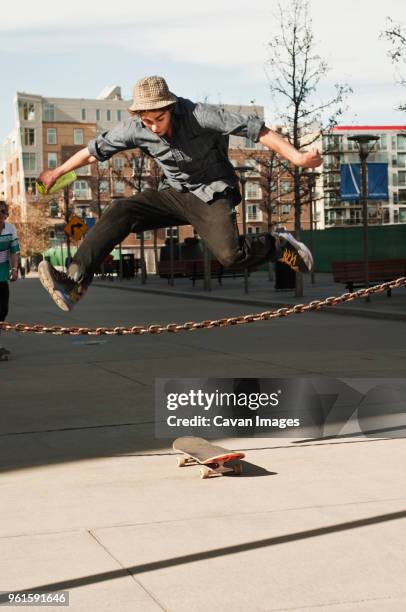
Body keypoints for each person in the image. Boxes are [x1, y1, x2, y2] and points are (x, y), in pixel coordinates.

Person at [37, 75, 322, 312]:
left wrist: (296, 158)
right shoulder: (135, 128)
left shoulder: (201, 115)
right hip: (174, 194)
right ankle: (74, 281)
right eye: (146, 121)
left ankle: (277, 245)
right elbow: (93, 152)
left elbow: (257, 130)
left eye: (158, 119)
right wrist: (57, 172)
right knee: (121, 210)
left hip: (213, 193)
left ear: (171, 107)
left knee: (230, 256)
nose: (153, 127)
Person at [0, 202, 20, 359]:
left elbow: (14, 252)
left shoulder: (10, 229)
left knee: (2, 310)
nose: (0, 214)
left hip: (2, 276)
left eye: (2, 211)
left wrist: (14, 269)